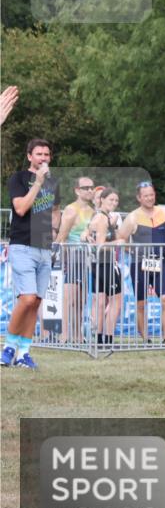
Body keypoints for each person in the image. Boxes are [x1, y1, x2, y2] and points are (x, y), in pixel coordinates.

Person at [2, 139, 60, 369]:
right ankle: (7, 347)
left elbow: (55, 211)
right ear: (29, 156)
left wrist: (55, 231)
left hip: (44, 248)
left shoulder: (53, 183)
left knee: (35, 302)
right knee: (26, 298)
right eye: (39, 154)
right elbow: (21, 208)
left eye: (47, 154)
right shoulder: (18, 179)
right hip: (22, 246)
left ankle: (23, 353)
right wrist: (37, 183)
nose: (43, 158)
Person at [117, 181, 165, 343]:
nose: (150, 198)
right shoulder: (132, 217)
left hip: (163, 261)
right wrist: (131, 250)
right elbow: (121, 239)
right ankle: (145, 337)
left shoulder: (164, 213)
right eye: (146, 196)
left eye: (151, 195)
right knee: (141, 303)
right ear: (139, 198)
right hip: (139, 264)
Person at [54, 175, 96, 343]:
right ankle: (63, 335)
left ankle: (78, 335)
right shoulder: (71, 209)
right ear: (77, 191)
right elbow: (62, 236)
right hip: (73, 256)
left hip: (87, 258)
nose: (90, 190)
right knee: (69, 297)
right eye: (86, 188)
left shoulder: (93, 211)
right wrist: (62, 260)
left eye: (92, 187)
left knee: (81, 299)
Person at [86, 188, 124, 347]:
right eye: (110, 200)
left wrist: (113, 228)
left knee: (101, 301)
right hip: (105, 264)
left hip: (97, 264)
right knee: (116, 301)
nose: (114, 203)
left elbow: (86, 235)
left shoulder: (100, 216)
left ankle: (100, 338)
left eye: (116, 200)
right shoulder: (101, 218)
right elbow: (100, 246)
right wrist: (117, 242)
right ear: (101, 199)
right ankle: (107, 338)